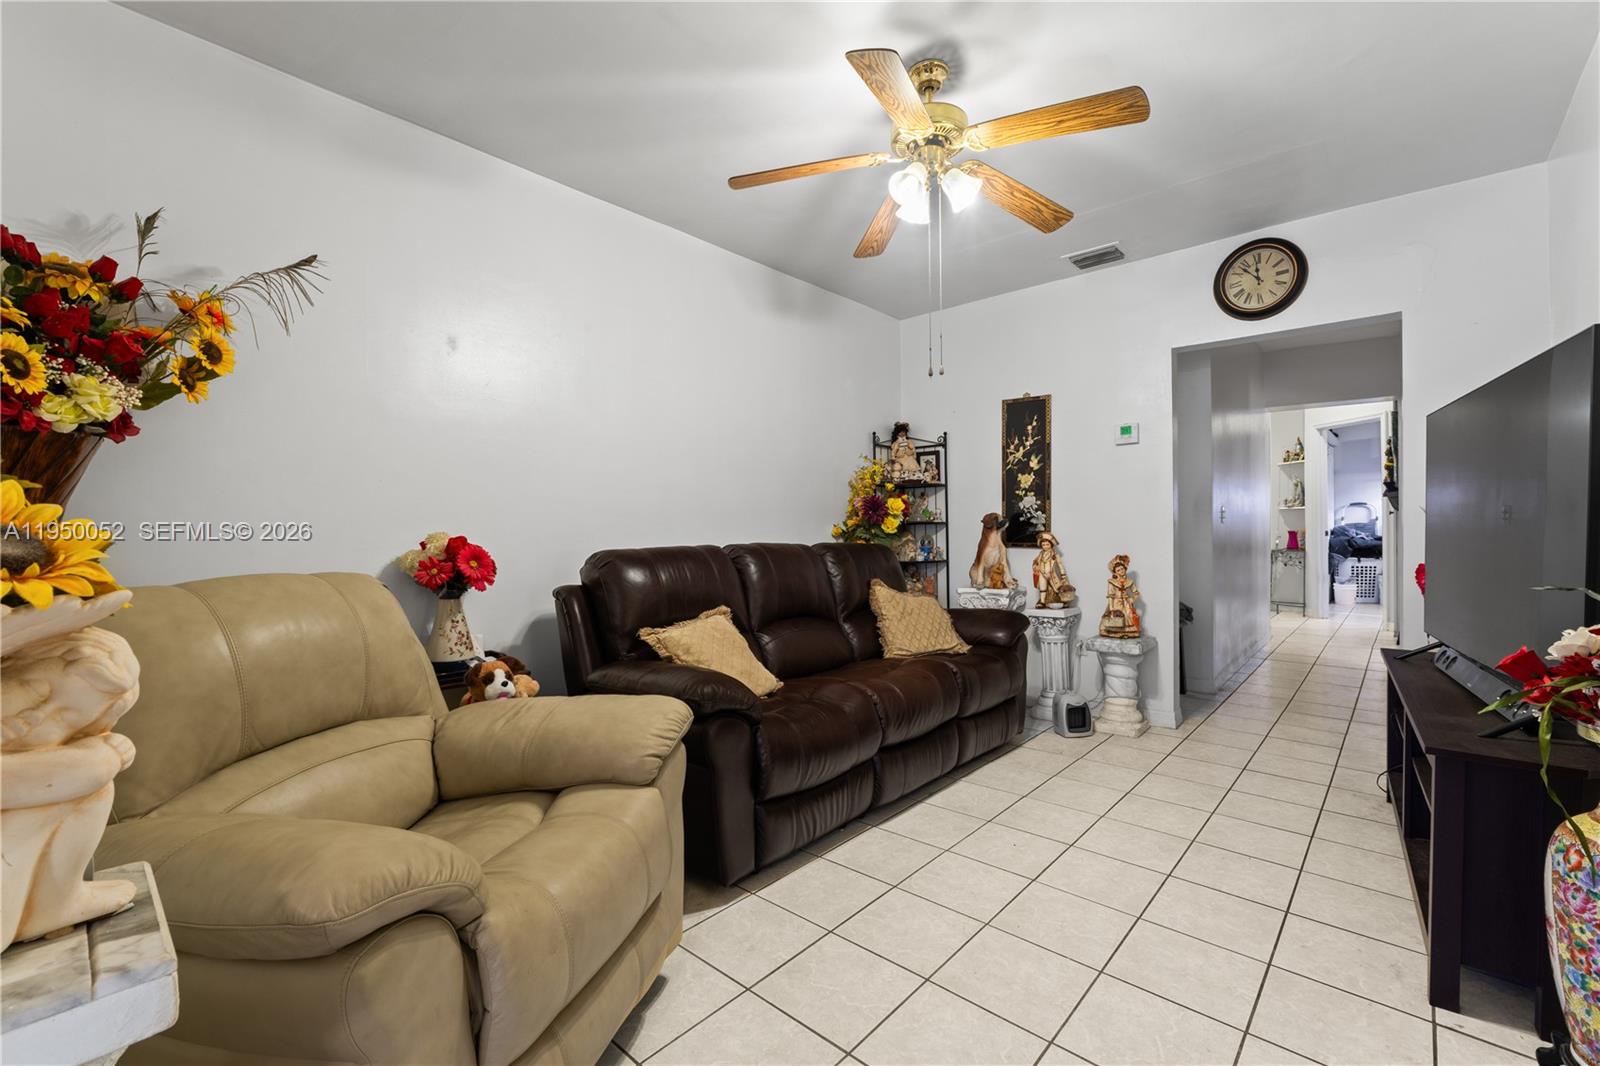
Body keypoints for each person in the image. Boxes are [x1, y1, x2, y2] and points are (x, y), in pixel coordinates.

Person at [1098, 554, 1142, 637]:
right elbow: (1111, 596)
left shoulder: (1129, 581)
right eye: (1118, 570)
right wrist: (1111, 609)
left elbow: (1136, 593)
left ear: (1125, 569)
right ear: (1115, 572)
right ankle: (1114, 632)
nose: (1121, 571)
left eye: (1122, 569)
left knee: (1129, 617)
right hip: (1115, 603)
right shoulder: (1112, 582)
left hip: (1126, 603)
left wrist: (1132, 599)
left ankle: (1128, 632)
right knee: (1116, 618)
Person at [1031, 532, 1075, 608]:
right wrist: (1036, 566)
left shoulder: (1055, 554)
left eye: (1047, 544)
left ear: (1051, 544)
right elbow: (1035, 562)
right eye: (1043, 545)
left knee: (1057, 588)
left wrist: (1063, 575)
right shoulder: (1041, 554)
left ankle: (1063, 601)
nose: (1045, 546)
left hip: (1051, 574)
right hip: (1042, 573)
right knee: (1042, 587)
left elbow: (1060, 565)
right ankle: (1042, 602)